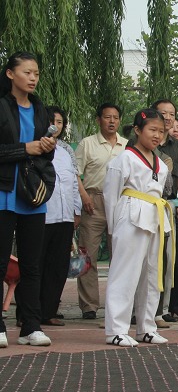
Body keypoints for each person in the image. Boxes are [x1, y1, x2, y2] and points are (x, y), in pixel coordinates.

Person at [0, 51, 57, 347]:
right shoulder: (1, 107)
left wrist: (47, 146)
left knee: (32, 263)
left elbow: (44, 154)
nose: (33, 78)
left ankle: (30, 326)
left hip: (32, 195)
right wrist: (27, 148)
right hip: (4, 193)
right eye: (27, 72)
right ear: (10, 74)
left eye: (36, 73)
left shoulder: (40, 109)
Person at [103, 109, 172, 347]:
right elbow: (110, 195)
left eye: (161, 131)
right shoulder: (124, 158)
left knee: (152, 273)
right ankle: (116, 329)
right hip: (130, 213)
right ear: (137, 130)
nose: (157, 135)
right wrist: (113, 230)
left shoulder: (161, 163)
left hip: (155, 215)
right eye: (152, 130)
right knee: (125, 273)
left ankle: (146, 327)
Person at [75, 102, 127, 320]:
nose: (112, 121)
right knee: (88, 254)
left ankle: (119, 303)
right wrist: (84, 197)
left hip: (121, 201)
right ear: (98, 120)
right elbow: (75, 173)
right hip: (93, 201)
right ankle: (89, 305)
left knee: (121, 255)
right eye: (107, 117)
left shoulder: (127, 145)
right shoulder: (87, 144)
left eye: (115, 117)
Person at [152, 99, 178, 325]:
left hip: (169, 205)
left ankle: (162, 309)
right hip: (146, 203)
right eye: (163, 113)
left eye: (171, 114)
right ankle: (137, 309)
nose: (168, 117)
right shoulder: (142, 142)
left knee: (169, 259)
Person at [39, 106, 82, 326]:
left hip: (65, 217)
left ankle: (49, 311)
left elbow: (73, 183)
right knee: (36, 265)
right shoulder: (35, 146)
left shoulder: (66, 151)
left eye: (60, 121)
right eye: (52, 120)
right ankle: (29, 313)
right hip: (42, 215)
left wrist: (77, 211)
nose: (56, 125)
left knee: (58, 266)